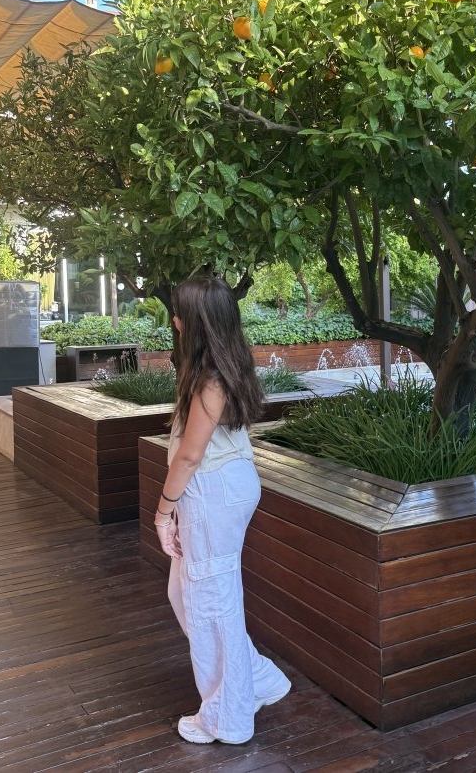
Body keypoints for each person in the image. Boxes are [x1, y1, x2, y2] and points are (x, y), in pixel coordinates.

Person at [154, 275, 291, 745]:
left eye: (178, 315)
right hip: (219, 488)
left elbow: (190, 456)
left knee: (210, 602)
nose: (173, 321)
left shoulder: (211, 378)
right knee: (187, 592)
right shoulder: (219, 365)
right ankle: (257, 679)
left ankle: (227, 716)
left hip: (212, 492)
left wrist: (163, 512)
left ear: (194, 323)